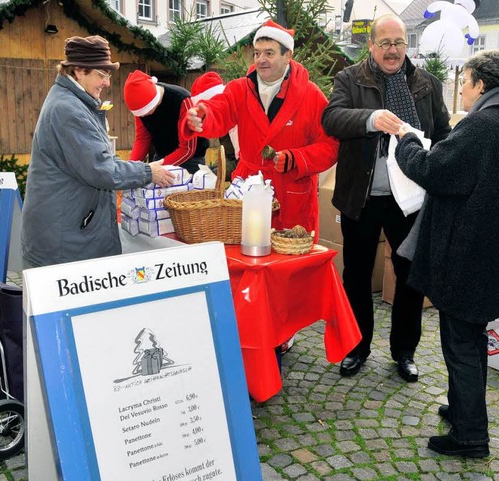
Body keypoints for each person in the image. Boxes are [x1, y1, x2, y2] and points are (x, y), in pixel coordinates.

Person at [321, 14, 451, 382]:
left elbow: (442, 134)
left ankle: (404, 351)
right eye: (386, 43)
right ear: (371, 46)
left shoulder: (426, 84)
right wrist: (371, 117)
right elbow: (331, 118)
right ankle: (357, 346)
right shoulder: (350, 78)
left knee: (411, 277)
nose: (393, 50)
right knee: (358, 275)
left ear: (406, 46)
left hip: (409, 199)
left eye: (399, 43)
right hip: (362, 196)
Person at [395, 49, 499, 458]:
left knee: (461, 343)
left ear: (479, 84)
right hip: (489, 251)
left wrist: (405, 142)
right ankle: (463, 408)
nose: (463, 91)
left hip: (469, 253)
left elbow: (434, 170)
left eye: (466, 82)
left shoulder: (482, 125)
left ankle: (470, 435)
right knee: (470, 336)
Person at [21, 36, 175, 268]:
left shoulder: (72, 102)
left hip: (66, 233)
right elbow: (102, 169)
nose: (106, 83)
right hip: (65, 243)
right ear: (79, 71)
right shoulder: (69, 109)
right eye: (101, 75)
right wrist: (147, 171)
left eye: (108, 75)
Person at [183, 19, 338, 237]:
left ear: (288, 56)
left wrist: (296, 159)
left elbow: (330, 145)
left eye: (269, 53)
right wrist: (203, 114)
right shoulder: (240, 89)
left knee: (290, 263)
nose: (261, 60)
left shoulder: (311, 96)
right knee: (247, 252)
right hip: (250, 189)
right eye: (257, 53)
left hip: (291, 194)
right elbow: (220, 109)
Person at [124, 70, 210, 174]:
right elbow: (142, 138)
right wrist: (130, 168)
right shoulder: (140, 106)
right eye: (140, 115)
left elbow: (187, 149)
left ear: (155, 101)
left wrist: (154, 169)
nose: (145, 116)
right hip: (161, 156)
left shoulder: (182, 100)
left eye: (147, 112)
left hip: (190, 160)